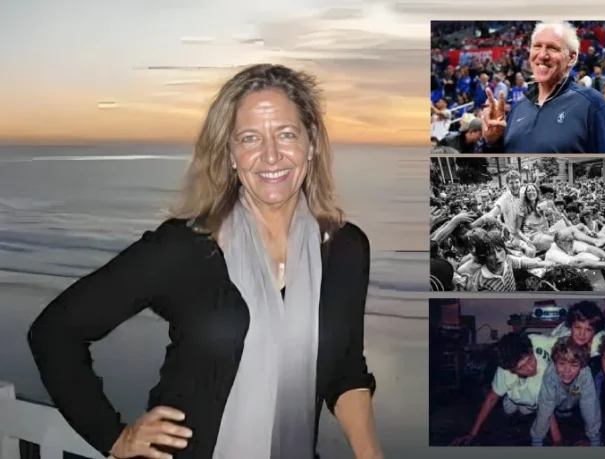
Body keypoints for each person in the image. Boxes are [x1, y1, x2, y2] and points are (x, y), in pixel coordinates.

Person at [27, 64, 382, 459]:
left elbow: (346, 370)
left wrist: (370, 454)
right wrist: (113, 435)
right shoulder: (184, 247)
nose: (270, 155)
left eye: (286, 134)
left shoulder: (346, 250)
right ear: (230, 154)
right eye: (250, 138)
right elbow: (55, 331)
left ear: (311, 144)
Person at [481, 22, 605, 153]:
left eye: (552, 48)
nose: (542, 55)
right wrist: (492, 142)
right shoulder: (518, 108)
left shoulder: (593, 104)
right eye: (537, 46)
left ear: (571, 58)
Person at [452, 333, 562, 446]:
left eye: (530, 360)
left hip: (537, 399)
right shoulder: (505, 372)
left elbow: (547, 410)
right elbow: (491, 398)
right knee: (508, 409)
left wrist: (557, 440)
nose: (530, 368)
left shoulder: (537, 341)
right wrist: (473, 433)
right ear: (511, 370)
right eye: (521, 367)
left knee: (534, 408)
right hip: (514, 396)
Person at [530, 337, 601, 446]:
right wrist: (537, 438)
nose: (567, 370)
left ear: (581, 366)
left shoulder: (585, 374)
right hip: (555, 412)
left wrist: (594, 437)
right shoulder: (550, 375)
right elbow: (545, 408)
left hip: (576, 409)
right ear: (555, 363)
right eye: (562, 364)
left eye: (574, 365)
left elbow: (590, 405)